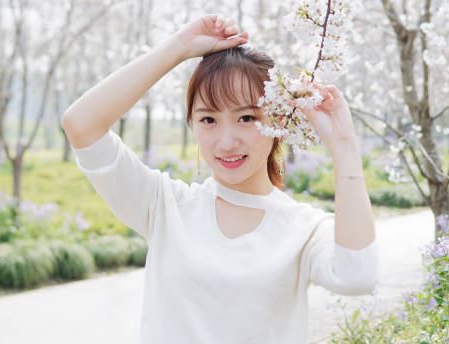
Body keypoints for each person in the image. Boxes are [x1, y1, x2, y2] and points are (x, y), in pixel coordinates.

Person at [61, 14, 379, 344]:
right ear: (192, 125)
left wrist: (344, 148)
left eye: (246, 117)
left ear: (278, 121)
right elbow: (81, 125)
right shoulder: (165, 206)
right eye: (209, 119)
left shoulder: (304, 228)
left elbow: (358, 275)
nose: (226, 141)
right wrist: (179, 47)